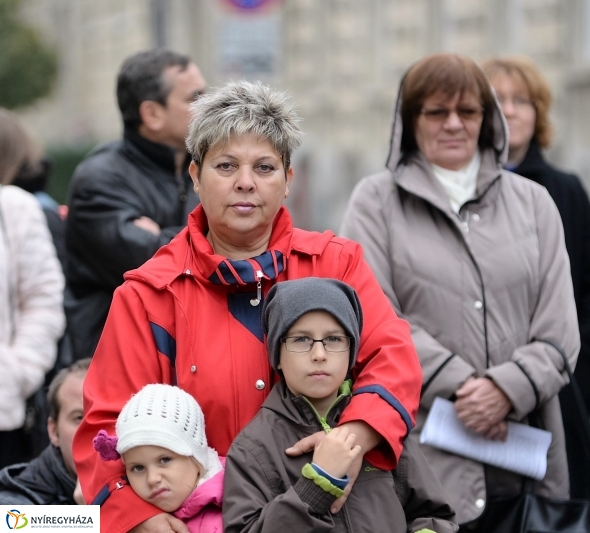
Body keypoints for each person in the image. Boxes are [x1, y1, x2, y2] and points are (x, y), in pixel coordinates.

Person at [73, 80, 422, 533]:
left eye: (264, 167)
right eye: (225, 166)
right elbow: (104, 426)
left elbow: (393, 359)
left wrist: (354, 438)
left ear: (288, 180)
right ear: (195, 177)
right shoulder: (148, 294)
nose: (245, 182)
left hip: (339, 510)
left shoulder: (337, 263)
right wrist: (137, 517)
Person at [339, 53, 579, 530]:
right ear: (409, 122)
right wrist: (466, 387)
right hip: (425, 451)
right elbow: (371, 314)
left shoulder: (533, 202)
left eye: (467, 111)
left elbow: (560, 330)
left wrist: (507, 390)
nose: (453, 124)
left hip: (525, 455)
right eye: (436, 112)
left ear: (486, 121)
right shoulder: (375, 201)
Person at [483, 56, 590, 498]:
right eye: (498, 100)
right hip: (476, 399)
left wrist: (577, 370)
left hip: (559, 395)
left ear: (538, 112)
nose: (511, 110)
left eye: (521, 100)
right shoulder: (454, 193)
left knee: (557, 512)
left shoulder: (566, 191)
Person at [224, 277, 457, 532]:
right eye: (301, 339)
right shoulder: (254, 448)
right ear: (277, 355)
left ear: (351, 350)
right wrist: (317, 486)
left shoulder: (381, 430)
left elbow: (434, 515)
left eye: (334, 339)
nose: (319, 354)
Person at [65, 49, 207, 360]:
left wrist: (161, 235)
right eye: (194, 98)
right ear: (152, 114)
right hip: (111, 359)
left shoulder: (204, 169)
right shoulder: (99, 178)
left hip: (187, 353)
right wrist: (204, 235)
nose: (207, 107)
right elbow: (154, 264)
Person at [0, 108, 66, 469]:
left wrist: (17, 372)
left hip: (5, 415)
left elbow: (44, 298)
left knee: (16, 523)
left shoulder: (14, 208)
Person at [92, 384, 224, 532]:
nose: (152, 479)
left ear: (196, 458)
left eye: (165, 460)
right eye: (138, 468)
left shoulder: (224, 520)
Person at [0, 358, 89, 504]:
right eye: (79, 418)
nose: (97, 432)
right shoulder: (16, 501)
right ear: (54, 431)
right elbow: (11, 523)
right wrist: (91, 519)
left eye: (111, 416)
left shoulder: (137, 479)